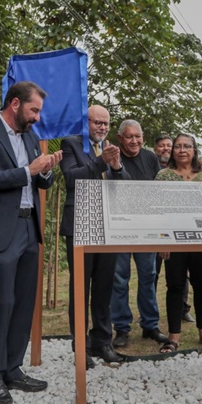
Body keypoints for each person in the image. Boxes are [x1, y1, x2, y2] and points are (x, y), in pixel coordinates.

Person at [0, 81, 61, 404]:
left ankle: (12, 368)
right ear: (15, 104)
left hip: (27, 228)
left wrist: (46, 171)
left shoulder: (31, 137)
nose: (37, 117)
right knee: (1, 302)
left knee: (23, 304)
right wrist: (26, 171)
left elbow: (36, 179)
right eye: (34, 110)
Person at [60, 105, 129, 366]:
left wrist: (117, 164)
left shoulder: (110, 149)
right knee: (81, 288)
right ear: (85, 121)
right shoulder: (72, 143)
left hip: (107, 227)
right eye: (97, 122)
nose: (102, 127)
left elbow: (121, 185)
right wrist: (102, 161)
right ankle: (81, 347)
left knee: (104, 288)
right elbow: (71, 178)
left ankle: (102, 342)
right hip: (79, 226)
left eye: (106, 123)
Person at [154, 134, 202, 353]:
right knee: (175, 286)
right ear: (172, 151)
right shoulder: (163, 176)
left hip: (201, 239)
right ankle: (173, 336)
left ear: (194, 150)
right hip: (173, 239)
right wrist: (162, 241)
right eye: (178, 146)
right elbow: (157, 210)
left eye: (187, 146)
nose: (182, 150)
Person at [110, 120, 168, 349]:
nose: (134, 141)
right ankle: (122, 327)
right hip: (120, 226)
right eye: (129, 136)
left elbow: (159, 191)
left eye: (138, 136)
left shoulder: (151, 158)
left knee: (148, 276)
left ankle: (150, 325)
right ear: (120, 138)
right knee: (119, 278)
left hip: (147, 226)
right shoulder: (112, 157)